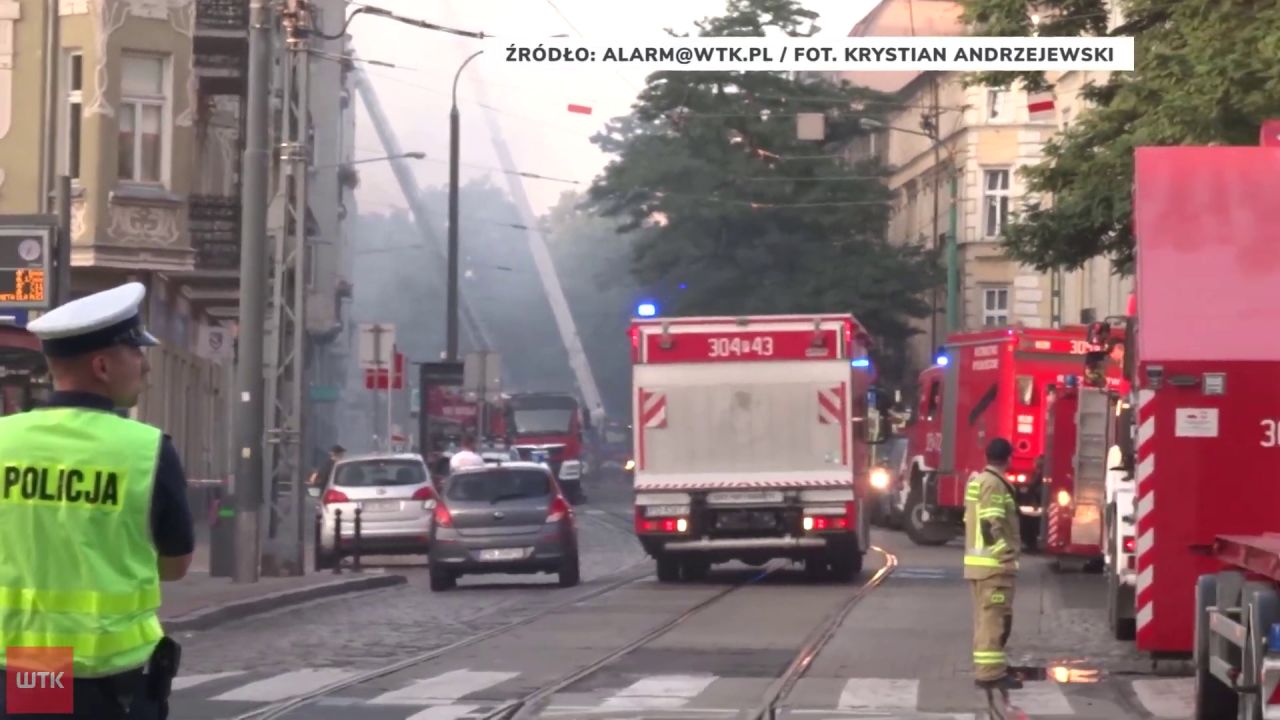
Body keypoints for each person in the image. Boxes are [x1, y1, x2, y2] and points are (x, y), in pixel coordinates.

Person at [0, 282, 193, 719]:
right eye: (136, 353)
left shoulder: (2, 441)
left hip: (26, 669)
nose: (144, 366)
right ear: (102, 365)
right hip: (110, 681)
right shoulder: (147, 450)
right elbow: (175, 565)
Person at [963, 437, 1023, 691]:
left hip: (981, 566)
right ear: (1009, 458)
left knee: (987, 619)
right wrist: (1004, 553)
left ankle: (991, 669)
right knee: (993, 622)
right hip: (993, 567)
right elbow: (990, 523)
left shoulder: (979, 481)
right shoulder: (994, 484)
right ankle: (989, 674)